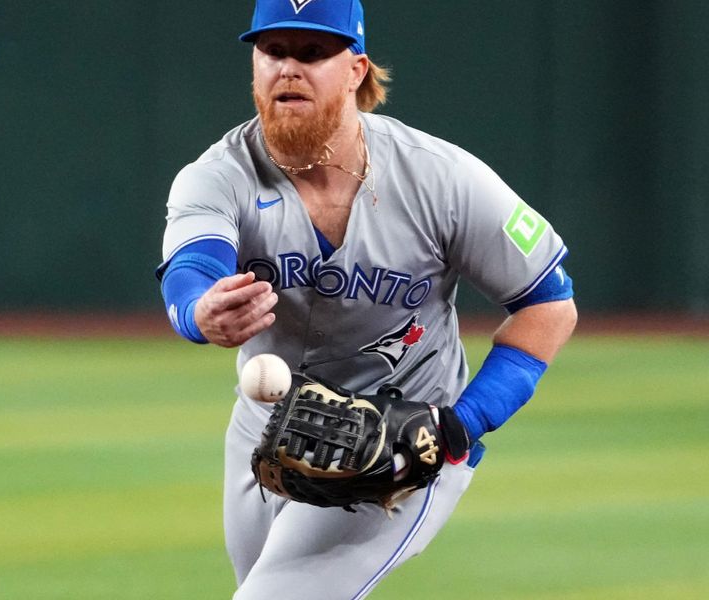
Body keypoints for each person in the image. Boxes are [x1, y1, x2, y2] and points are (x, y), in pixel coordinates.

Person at [157, 1, 578, 598]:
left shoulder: (440, 178)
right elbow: (193, 265)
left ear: (356, 69)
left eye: (312, 53)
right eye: (273, 51)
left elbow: (549, 303)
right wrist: (201, 310)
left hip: (404, 445)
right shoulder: (218, 174)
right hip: (265, 434)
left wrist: (460, 425)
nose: (288, 68)